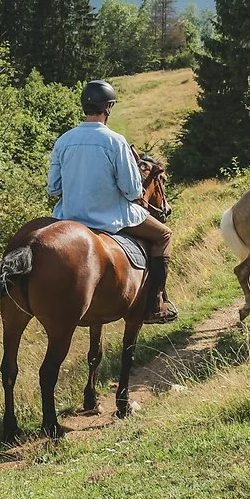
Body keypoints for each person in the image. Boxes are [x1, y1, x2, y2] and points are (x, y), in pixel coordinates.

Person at [47, 80, 179, 324]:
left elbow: (53, 188)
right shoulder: (115, 141)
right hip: (111, 218)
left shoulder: (63, 141)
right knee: (164, 235)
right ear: (108, 108)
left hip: (68, 218)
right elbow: (131, 191)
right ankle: (155, 304)